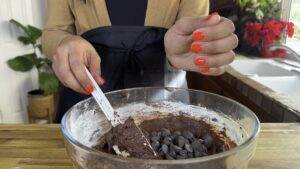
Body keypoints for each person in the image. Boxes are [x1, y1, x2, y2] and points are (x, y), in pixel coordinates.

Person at [42, 0, 238, 122]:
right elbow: (54, 30)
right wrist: (66, 42)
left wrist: (193, 43)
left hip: (165, 104)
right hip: (87, 105)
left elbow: (191, 32)